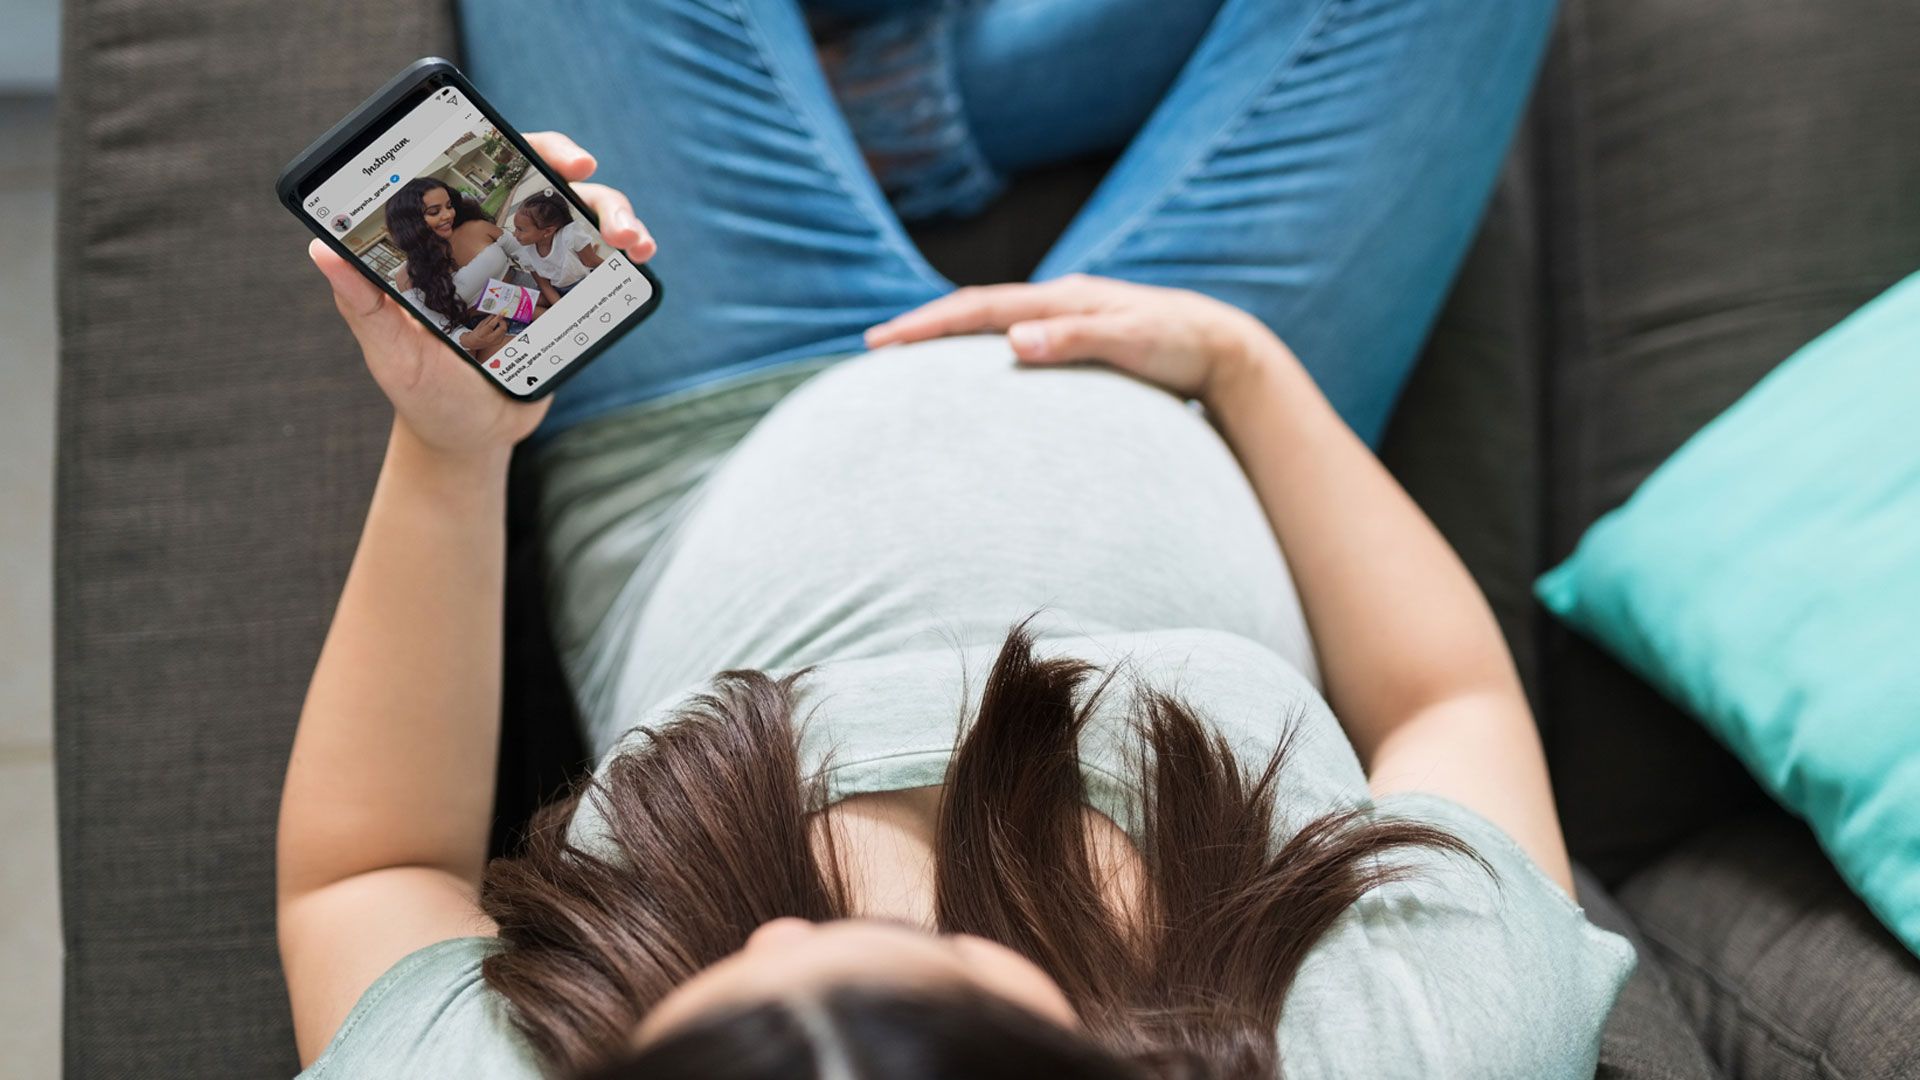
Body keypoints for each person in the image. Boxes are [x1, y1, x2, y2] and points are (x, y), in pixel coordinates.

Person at [282, 1, 1635, 1077]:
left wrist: (452, 448)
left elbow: (371, 872)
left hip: (691, 420)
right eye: (907, 969)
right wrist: (1246, 372)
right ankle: (900, 97)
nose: (804, 932)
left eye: (724, 1012)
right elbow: (1446, 701)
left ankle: (894, 92)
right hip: (1192, 389)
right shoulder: (1413, 1050)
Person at [386, 175, 547, 361]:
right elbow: (440, 327)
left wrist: (548, 293)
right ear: (410, 223)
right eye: (434, 211)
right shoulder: (407, 278)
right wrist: (471, 340)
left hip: (535, 292)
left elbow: (531, 258)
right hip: (486, 329)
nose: (447, 215)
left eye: (448, 206)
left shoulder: (476, 227)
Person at [508, 188, 601, 303]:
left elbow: (591, 261)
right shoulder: (526, 252)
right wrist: (561, 306)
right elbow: (545, 286)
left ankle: (589, 251)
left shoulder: (570, 236)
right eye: (515, 228)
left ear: (547, 231)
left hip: (585, 282)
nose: (515, 234)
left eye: (520, 229)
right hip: (559, 291)